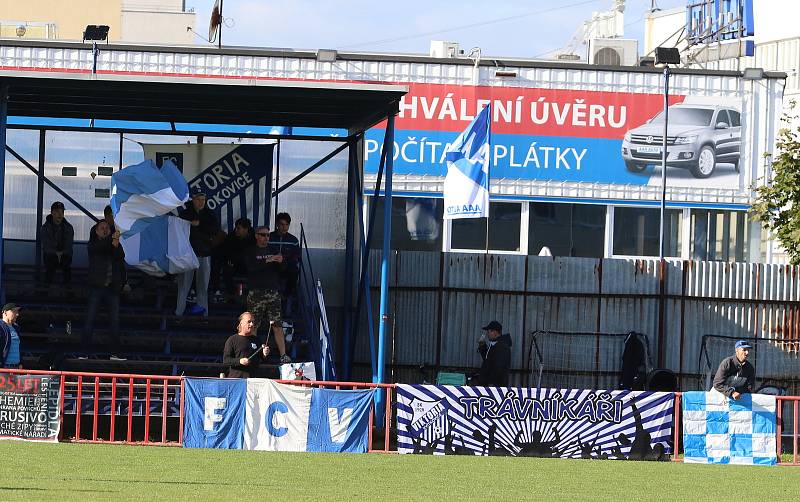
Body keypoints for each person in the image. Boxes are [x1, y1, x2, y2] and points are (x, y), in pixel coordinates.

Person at [244, 225, 291, 363]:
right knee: (254, 324)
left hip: (272, 291)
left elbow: (284, 269)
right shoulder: (250, 251)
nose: (266, 238)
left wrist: (281, 261)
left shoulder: (273, 249)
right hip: (256, 291)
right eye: (263, 235)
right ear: (256, 236)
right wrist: (267, 260)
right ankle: (252, 353)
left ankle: (283, 355)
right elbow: (251, 268)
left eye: (268, 235)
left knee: (277, 324)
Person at [83, 220, 125, 358]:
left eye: (107, 228)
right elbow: (99, 248)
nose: (105, 230)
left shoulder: (114, 243)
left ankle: (115, 353)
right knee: (89, 320)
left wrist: (116, 244)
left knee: (115, 322)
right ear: (96, 231)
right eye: (102, 228)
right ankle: (85, 352)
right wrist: (112, 240)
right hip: (96, 287)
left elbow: (120, 256)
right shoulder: (93, 244)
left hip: (112, 288)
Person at [175, 187, 219, 318]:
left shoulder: (210, 214)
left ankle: (202, 314)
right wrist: (192, 225)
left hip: (204, 254)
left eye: (203, 199)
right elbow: (177, 232)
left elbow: (215, 230)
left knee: (203, 287)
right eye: (198, 199)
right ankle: (179, 314)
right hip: (187, 254)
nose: (201, 202)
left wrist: (198, 225)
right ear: (193, 199)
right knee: (183, 286)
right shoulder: (185, 214)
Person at [222, 311, 270, 378]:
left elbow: (263, 360)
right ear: (241, 323)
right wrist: (239, 361)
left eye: (253, 322)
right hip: (237, 380)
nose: (252, 324)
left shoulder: (257, 340)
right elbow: (226, 360)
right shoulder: (232, 339)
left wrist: (265, 354)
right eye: (249, 322)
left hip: (253, 381)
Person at [268, 213, 301, 305]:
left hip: (286, 266)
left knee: (294, 270)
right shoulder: (269, 237)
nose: (284, 227)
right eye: (282, 224)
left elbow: (297, 255)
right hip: (272, 265)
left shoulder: (293, 240)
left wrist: (285, 259)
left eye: (287, 224)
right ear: (277, 225)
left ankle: (287, 295)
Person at [216, 217, 255, 295]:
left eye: (238, 228)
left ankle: (251, 294)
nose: (236, 230)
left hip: (247, 264)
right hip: (234, 264)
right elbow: (225, 251)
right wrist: (229, 261)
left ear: (246, 229)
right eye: (236, 228)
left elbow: (252, 253)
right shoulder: (231, 237)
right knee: (227, 270)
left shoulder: (254, 238)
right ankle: (231, 295)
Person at [41, 201, 74, 285]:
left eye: (62, 212)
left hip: (65, 256)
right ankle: (44, 292)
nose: (60, 214)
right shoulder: (45, 228)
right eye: (57, 212)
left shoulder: (68, 227)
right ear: (52, 213)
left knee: (67, 268)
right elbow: (46, 246)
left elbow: (69, 246)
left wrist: (61, 253)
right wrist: (56, 253)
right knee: (50, 267)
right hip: (50, 256)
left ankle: (69, 292)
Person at [476, 320, 512, 387]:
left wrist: (491, 383)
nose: (487, 334)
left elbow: (498, 367)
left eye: (489, 331)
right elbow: (488, 360)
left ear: (495, 332)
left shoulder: (502, 346)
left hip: (495, 386)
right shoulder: (494, 345)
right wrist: (482, 346)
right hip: (489, 384)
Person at [1, 303, 23, 369]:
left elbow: (18, 347)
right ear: (5, 312)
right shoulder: (0, 326)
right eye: (14, 311)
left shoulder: (16, 327)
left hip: (16, 368)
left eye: (17, 312)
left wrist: (21, 362)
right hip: (4, 369)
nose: (17, 314)